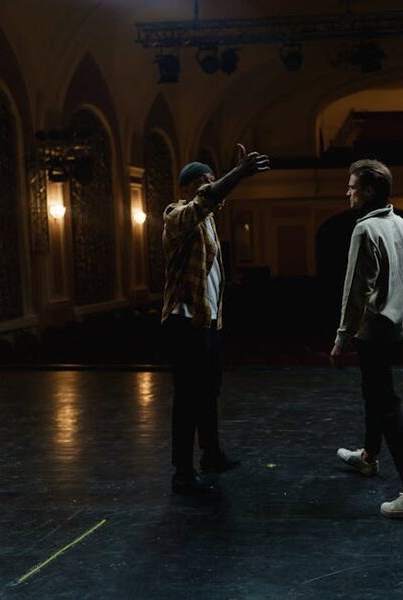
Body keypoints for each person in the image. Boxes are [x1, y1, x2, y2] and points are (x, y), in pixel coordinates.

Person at [162, 144, 270, 495]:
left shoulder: (208, 221)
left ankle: (211, 455)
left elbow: (212, 201)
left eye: (211, 180)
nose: (208, 186)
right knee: (187, 398)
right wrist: (238, 172)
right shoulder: (176, 216)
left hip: (207, 321)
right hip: (183, 320)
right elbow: (205, 200)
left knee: (209, 393)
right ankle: (182, 470)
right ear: (186, 188)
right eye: (202, 182)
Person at [331, 159, 403, 522]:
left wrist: (341, 339)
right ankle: (369, 457)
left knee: (386, 405)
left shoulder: (364, 230)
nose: (348, 191)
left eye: (353, 186)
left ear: (369, 191)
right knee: (373, 392)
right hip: (396, 329)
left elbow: (356, 291)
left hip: (372, 332)